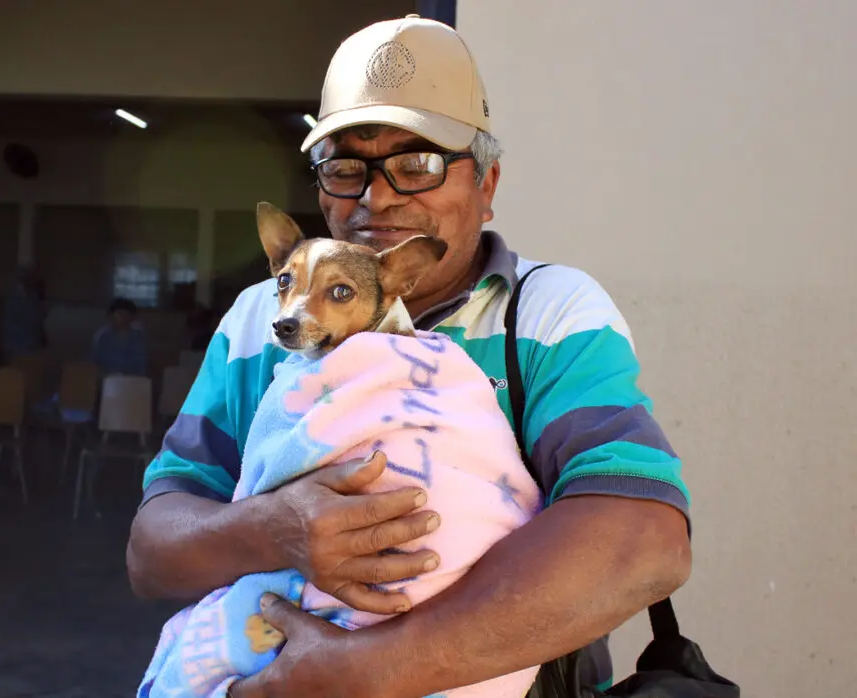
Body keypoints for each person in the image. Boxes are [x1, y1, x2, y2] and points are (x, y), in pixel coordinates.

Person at [127, 15, 691, 698]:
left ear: (485, 186)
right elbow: (153, 551)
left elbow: (642, 540)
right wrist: (275, 527)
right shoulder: (261, 321)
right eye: (345, 168)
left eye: (417, 163)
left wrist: (369, 670)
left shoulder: (546, 314)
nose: (377, 196)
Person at [91, 297, 147, 377]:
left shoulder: (137, 339)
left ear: (131, 318)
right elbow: (93, 362)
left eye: (124, 315)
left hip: (130, 383)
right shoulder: (103, 337)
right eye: (117, 314)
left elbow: (141, 369)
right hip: (105, 382)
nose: (120, 318)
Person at [1, 263, 46, 360]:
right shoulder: (14, 297)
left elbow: (39, 318)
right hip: (16, 346)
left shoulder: (33, 296)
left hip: (31, 346)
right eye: (33, 276)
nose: (35, 279)